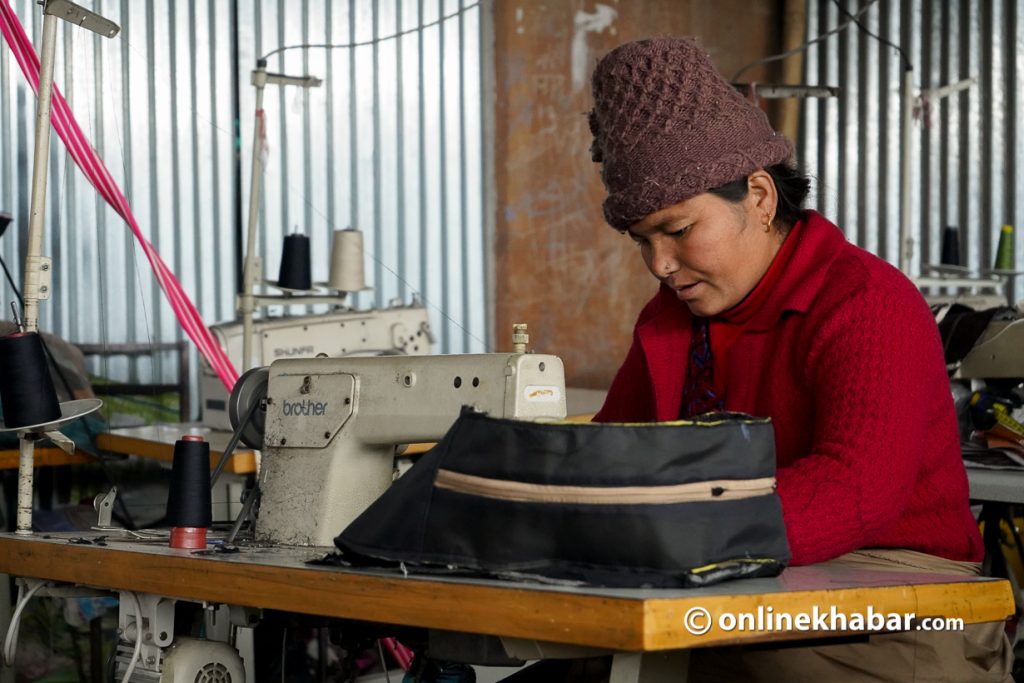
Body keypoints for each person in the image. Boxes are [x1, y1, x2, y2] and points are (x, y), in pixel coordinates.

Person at [586, 37, 1012, 682]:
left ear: (758, 197)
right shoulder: (671, 321)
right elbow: (611, 456)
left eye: (677, 231)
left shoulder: (865, 302)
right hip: (727, 577)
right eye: (641, 240)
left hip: (902, 596)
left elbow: (854, 489)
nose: (660, 265)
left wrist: (677, 533)